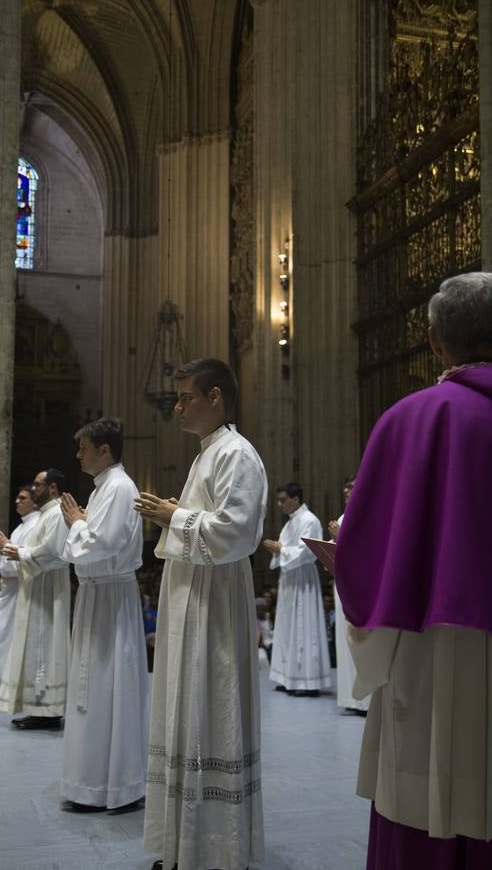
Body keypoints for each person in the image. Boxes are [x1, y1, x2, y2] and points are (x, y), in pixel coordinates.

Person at [335, 272, 492, 869]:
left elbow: (365, 548)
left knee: (426, 793)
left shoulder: (410, 419)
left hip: (427, 649)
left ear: (434, 341)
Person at [135, 357, 267, 870]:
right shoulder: (207, 453)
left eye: (187, 396)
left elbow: (237, 533)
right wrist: (177, 512)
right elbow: (207, 519)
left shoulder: (238, 453)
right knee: (183, 709)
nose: (178, 406)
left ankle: (214, 849)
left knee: (209, 711)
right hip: (189, 594)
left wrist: (175, 515)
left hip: (214, 603)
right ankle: (182, 845)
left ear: (216, 398)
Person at [58, 417, 149, 814]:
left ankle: (115, 784)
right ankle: (91, 782)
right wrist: (80, 523)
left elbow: (103, 543)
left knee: (109, 687)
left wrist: (77, 524)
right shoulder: (103, 489)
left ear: (105, 450)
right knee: (93, 689)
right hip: (99, 596)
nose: (79, 454)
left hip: (111, 597)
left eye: (84, 447)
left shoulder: (118, 487)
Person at [0, 468, 71, 730]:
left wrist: (20, 553)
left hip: (49, 591)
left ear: (52, 488)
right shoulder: (47, 514)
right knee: (37, 649)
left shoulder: (57, 514)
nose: (33, 489)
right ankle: (38, 708)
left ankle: (49, 712)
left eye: (38, 485)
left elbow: (54, 553)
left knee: (45, 647)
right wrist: (22, 552)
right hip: (38, 587)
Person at [263, 483, 331, 696]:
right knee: (287, 626)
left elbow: (306, 552)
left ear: (296, 498)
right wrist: (279, 549)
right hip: (289, 580)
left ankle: (306, 681)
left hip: (303, 579)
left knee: (303, 626)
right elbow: (286, 549)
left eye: (283, 500)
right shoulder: (291, 522)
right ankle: (287, 677)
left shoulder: (309, 520)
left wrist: (280, 549)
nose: (280, 504)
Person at [327, 475, 369, 715]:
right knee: (344, 640)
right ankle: (351, 699)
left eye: (351, 486)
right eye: (344, 486)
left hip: (360, 584)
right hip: (342, 582)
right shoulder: (343, 517)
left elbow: (368, 551)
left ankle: (365, 700)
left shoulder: (370, 512)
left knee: (358, 639)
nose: (346, 491)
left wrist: (340, 536)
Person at [0, 485, 40, 688]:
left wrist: (7, 547)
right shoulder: (21, 526)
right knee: (6, 640)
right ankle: (6, 684)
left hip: (22, 590)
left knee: (15, 641)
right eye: (17, 497)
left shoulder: (36, 523)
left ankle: (14, 686)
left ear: (35, 502)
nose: (17, 501)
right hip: (11, 591)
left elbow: (30, 558)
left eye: (22, 498)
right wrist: (7, 548)